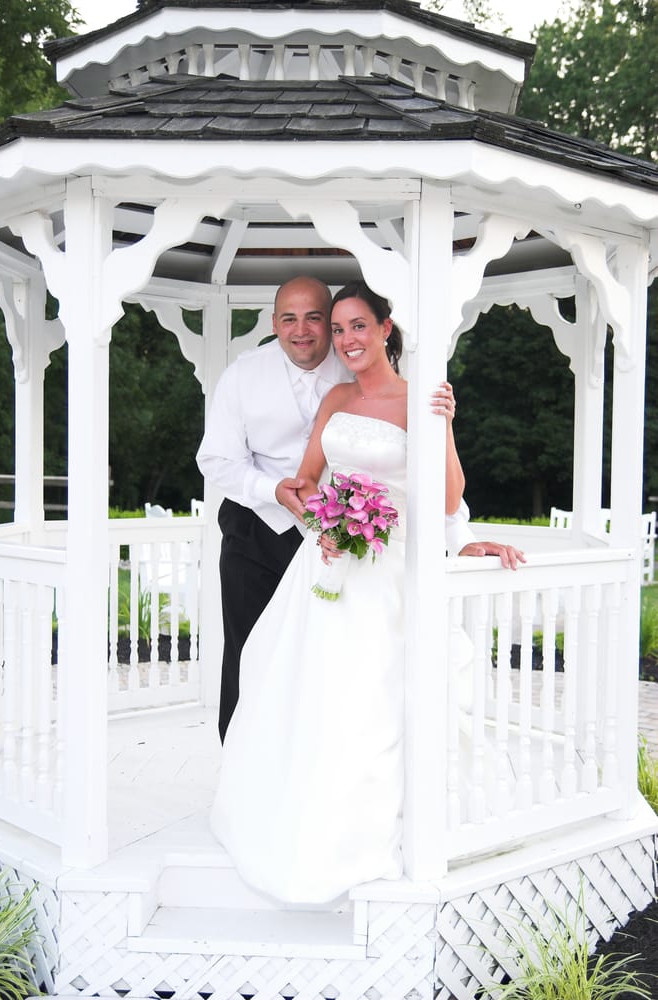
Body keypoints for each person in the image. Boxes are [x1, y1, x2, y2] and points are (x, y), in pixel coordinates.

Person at [210, 281, 525, 904]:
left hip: (391, 569)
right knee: (301, 683)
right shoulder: (334, 396)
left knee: (376, 691)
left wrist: (445, 429)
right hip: (329, 563)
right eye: (340, 328)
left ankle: (376, 826)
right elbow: (306, 482)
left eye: (358, 326)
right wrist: (326, 525)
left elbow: (447, 499)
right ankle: (295, 813)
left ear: (386, 328)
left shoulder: (422, 400)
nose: (346, 339)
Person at [197, 276, 502, 743]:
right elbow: (220, 460)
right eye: (289, 319)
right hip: (261, 529)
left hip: (361, 547)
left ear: (383, 328)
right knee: (252, 651)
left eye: (318, 319)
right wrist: (280, 495)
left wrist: (461, 538)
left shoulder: (360, 370)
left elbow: (427, 487)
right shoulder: (245, 374)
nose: (304, 330)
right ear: (274, 323)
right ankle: (242, 755)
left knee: (343, 670)